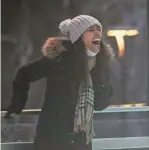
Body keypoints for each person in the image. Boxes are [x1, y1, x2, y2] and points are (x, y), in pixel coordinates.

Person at [5, 15, 114, 150]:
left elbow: (100, 105)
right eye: (90, 29)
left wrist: (99, 81)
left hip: (81, 140)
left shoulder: (100, 64)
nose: (97, 32)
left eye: (98, 29)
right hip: (53, 139)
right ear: (78, 37)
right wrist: (17, 106)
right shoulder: (60, 61)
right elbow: (24, 73)